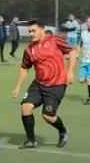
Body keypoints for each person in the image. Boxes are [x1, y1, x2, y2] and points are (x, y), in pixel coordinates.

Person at [11, 21, 77, 149]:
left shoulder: (54, 40)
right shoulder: (29, 49)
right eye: (29, 31)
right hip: (39, 84)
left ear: (42, 29)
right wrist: (18, 86)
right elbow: (25, 68)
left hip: (56, 84)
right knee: (25, 107)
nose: (31, 34)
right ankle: (31, 140)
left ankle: (62, 131)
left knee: (48, 116)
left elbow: (73, 51)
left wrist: (70, 71)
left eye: (33, 31)